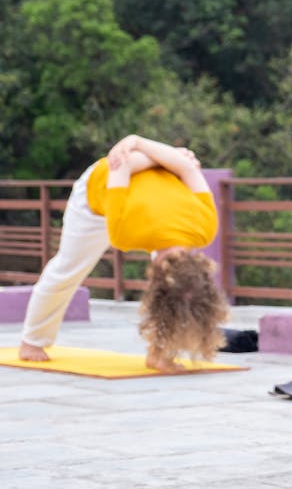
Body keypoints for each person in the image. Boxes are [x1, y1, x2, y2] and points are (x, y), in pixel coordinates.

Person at [18, 135, 229, 373]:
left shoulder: (207, 228)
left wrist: (163, 156)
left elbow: (186, 166)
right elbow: (118, 165)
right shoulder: (127, 233)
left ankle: (159, 354)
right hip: (95, 197)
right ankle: (32, 340)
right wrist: (149, 149)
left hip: (133, 189)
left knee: (178, 296)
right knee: (68, 269)